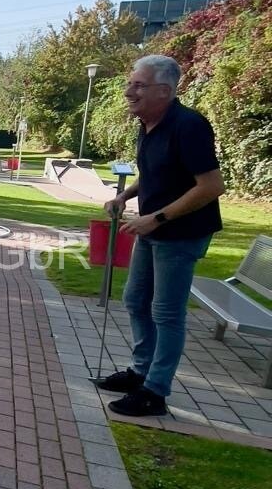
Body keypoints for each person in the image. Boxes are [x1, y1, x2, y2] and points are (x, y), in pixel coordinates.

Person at [94, 54, 224, 418]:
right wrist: (125, 195)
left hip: (181, 234)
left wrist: (157, 218)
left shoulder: (189, 126)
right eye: (129, 83)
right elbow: (154, 173)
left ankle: (156, 390)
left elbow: (212, 185)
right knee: (136, 300)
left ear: (164, 91)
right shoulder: (148, 123)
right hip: (153, 229)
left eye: (138, 85)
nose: (127, 91)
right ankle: (140, 372)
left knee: (166, 312)